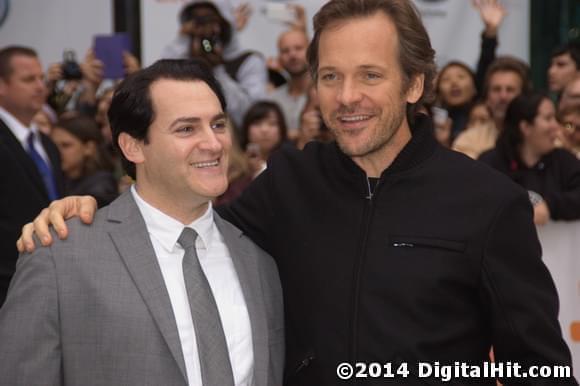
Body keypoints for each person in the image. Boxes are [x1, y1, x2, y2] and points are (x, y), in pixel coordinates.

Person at [18, 1, 578, 385]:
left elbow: (540, 367)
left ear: (414, 84)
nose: (346, 96)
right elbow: (186, 217)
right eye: (330, 76)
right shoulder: (289, 181)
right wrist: (90, 209)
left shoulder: (486, 202)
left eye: (370, 75)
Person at [1, 59, 284, 386]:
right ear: (133, 146)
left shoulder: (259, 258)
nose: (214, 143)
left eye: (218, 124)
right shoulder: (59, 256)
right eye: (186, 128)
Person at [0, 46, 64, 306]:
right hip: (8, 282)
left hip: (49, 279)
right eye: (29, 80)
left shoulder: (47, 144)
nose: (40, 87)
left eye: (41, 78)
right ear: (2, 85)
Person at [162, 1, 268, 129]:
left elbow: (252, 117)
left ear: (226, 23)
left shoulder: (248, 61)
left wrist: (217, 70)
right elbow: (161, 96)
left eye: (212, 20)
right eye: (199, 22)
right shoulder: (178, 58)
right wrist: (182, 43)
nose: (208, 30)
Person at [479, 92, 580, 224]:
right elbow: (477, 203)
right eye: (548, 118)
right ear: (525, 127)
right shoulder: (491, 163)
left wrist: (551, 206)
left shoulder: (564, 161)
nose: (556, 126)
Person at [50, 115, 118, 207]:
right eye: (52, 145)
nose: (56, 151)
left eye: (66, 145)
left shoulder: (102, 185)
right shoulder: (54, 179)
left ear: (88, 148)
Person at [268, 27, 311, 137]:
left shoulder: (327, 93)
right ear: (279, 58)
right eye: (285, 51)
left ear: (312, 52)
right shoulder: (273, 100)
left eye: (298, 48)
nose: (292, 55)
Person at [483, 56, 532, 131]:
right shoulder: (469, 140)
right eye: (496, 90)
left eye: (510, 90)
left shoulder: (544, 139)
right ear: (487, 97)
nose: (503, 97)